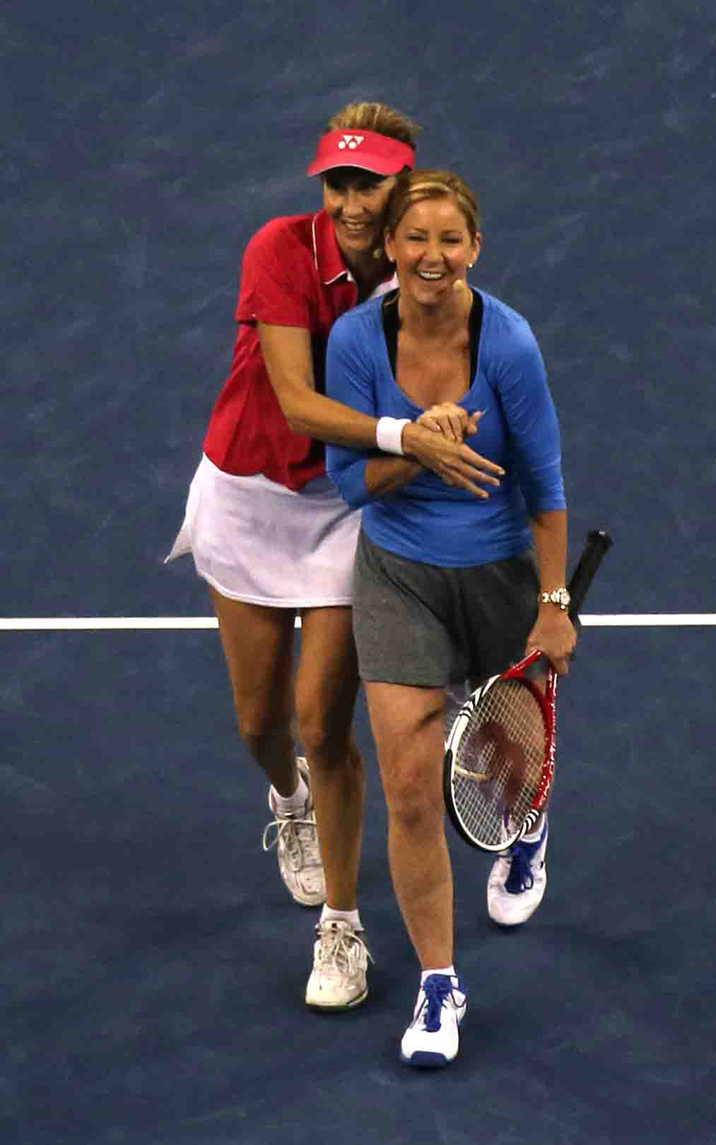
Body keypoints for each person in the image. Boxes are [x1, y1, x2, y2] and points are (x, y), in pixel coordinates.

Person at [167, 110, 503, 1014]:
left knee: (323, 722)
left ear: (402, 189)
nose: (352, 203)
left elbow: (460, 372)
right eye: (338, 184)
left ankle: (342, 926)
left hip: (346, 504)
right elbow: (296, 402)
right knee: (260, 724)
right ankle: (290, 801)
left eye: (370, 186)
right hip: (248, 495)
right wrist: (408, 435)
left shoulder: (416, 270)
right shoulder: (279, 249)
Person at [325, 170, 578, 1065]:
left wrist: (553, 603)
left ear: (475, 248)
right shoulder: (356, 341)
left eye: (450, 240)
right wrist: (420, 446)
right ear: (391, 248)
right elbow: (350, 482)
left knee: (505, 760)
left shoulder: (508, 343)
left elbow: (544, 484)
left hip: (501, 572)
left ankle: (526, 823)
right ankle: (440, 984)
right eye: (415, 238)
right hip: (398, 577)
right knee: (408, 787)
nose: (432, 257)